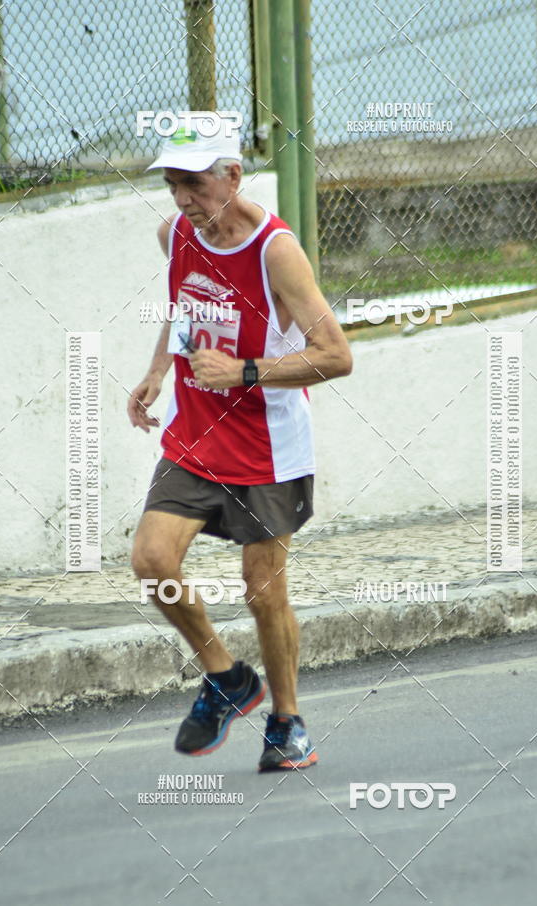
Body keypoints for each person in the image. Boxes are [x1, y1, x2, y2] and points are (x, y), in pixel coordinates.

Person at [128, 113, 352, 772]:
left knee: (263, 590)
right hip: (195, 435)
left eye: (194, 184)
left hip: (266, 445)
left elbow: (336, 356)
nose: (183, 200)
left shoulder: (274, 252)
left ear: (233, 175)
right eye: (173, 184)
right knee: (152, 562)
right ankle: (226, 679)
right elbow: (185, 307)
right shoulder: (176, 235)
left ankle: (288, 723)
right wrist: (156, 372)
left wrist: (247, 372)